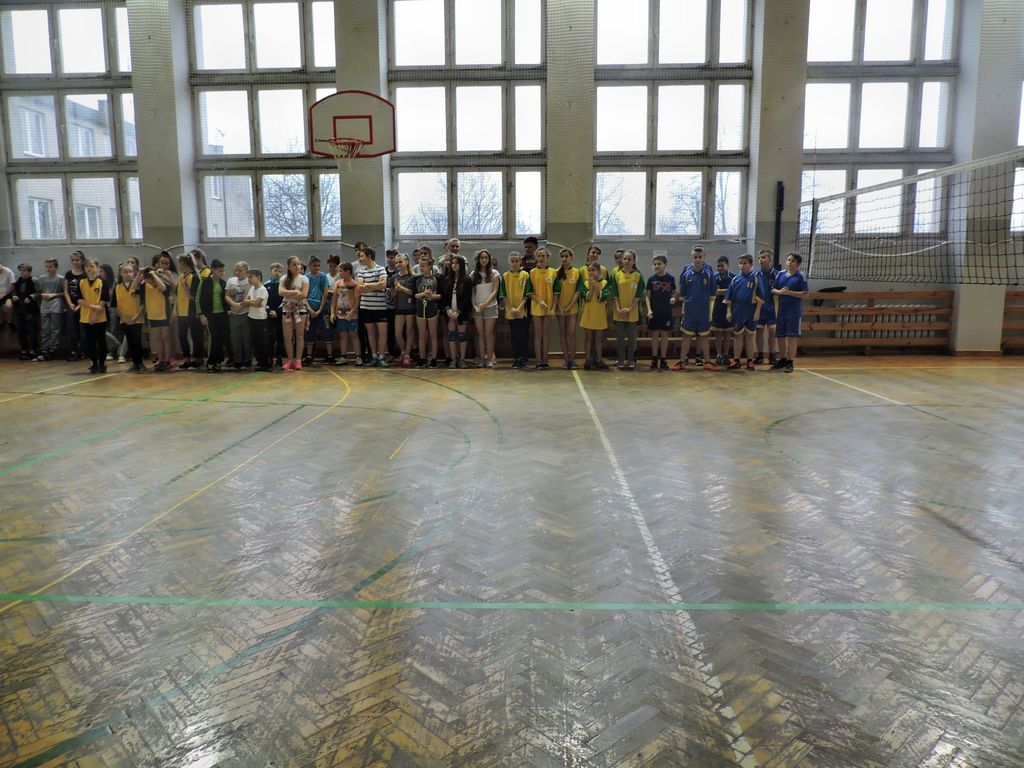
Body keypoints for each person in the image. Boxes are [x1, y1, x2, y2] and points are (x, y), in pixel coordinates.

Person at [674, 246, 718, 371]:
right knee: (686, 336)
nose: (698, 259)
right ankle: (682, 362)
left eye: (700, 257)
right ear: (691, 258)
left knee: (704, 337)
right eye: (695, 257)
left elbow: (713, 293)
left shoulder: (709, 274)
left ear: (704, 257)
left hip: (704, 312)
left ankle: (707, 362)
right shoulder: (686, 275)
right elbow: (682, 294)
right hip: (689, 312)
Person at [771, 252, 809, 373]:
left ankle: (790, 361)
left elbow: (805, 294)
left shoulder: (800, 276)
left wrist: (789, 293)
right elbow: (773, 289)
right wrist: (780, 292)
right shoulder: (781, 274)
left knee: (792, 336)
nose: (789, 263)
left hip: (794, 310)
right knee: (780, 336)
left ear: (798, 264)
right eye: (788, 260)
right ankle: (782, 359)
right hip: (781, 310)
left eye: (792, 261)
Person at [723, 254, 762, 371]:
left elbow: (760, 298)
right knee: (737, 336)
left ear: (751, 264)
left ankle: (750, 361)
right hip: (737, 311)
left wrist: (757, 312)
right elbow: (729, 297)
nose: (742, 265)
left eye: (745, 263)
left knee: (750, 336)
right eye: (740, 263)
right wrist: (728, 311)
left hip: (750, 311)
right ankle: (736, 360)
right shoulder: (735, 279)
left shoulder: (756, 279)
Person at [610, 250, 643, 370]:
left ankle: (630, 359)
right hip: (619, 312)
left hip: (632, 312)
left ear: (634, 261)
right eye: (625, 259)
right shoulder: (617, 275)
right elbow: (614, 294)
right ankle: (620, 359)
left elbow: (639, 295)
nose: (627, 261)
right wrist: (618, 309)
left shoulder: (638, 276)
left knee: (631, 338)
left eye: (629, 259)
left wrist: (629, 309)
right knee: (620, 338)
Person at [356, 247, 389, 367]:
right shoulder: (361, 271)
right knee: (370, 333)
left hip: (380, 307)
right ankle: (374, 356)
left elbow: (383, 285)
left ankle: (381, 357)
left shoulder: (381, 269)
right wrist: (376, 285)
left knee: (382, 333)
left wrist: (367, 285)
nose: (360, 258)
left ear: (369, 256)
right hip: (366, 306)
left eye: (362, 256)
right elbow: (359, 288)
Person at [197, 259, 230, 372]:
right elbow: (198, 299)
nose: (222, 273)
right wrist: (201, 315)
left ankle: (218, 361)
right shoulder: (204, 282)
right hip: (209, 314)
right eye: (220, 271)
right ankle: (210, 362)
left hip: (222, 314)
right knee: (212, 338)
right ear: (213, 270)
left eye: (223, 271)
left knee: (220, 338)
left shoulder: (223, 283)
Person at [442, 251, 473, 368]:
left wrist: (459, 311)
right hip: (450, 312)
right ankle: (453, 359)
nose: (454, 265)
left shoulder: (467, 280)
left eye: (457, 263)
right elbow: (444, 297)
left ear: (462, 265)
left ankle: (462, 359)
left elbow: (467, 298)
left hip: (461, 312)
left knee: (461, 335)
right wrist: (448, 309)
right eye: (453, 263)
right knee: (451, 335)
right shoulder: (447, 280)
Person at [278, 255, 309, 371]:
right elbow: (280, 292)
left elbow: (304, 294)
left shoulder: (304, 279)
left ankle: (298, 360)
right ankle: (290, 360)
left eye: (298, 264)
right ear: (289, 267)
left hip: (300, 310)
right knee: (287, 336)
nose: (297, 266)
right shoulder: (284, 278)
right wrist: (295, 291)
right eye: (294, 264)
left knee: (299, 335)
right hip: (287, 309)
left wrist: (289, 293)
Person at [501, 251, 531, 370]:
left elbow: (527, 294)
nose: (514, 263)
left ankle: (523, 359)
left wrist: (519, 307)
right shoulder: (505, 276)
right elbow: (503, 294)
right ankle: (516, 358)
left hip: (522, 311)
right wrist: (511, 308)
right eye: (512, 261)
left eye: (516, 261)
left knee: (523, 335)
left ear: (520, 262)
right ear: (509, 262)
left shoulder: (525, 275)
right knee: (514, 336)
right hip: (511, 311)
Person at [78, 258, 110, 374]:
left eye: (91, 266)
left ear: (97, 268)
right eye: (87, 266)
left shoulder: (102, 282)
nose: (89, 269)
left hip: (100, 317)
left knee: (101, 340)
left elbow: (104, 299)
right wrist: (92, 307)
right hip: (85, 316)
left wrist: (96, 313)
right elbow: (79, 300)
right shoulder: (81, 282)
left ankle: (102, 364)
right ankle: (93, 363)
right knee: (90, 341)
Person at [142, 256, 174, 371]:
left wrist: (154, 274)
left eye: (150, 280)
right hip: (153, 314)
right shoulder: (145, 285)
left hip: (164, 313)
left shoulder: (162, 283)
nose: (148, 282)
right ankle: (160, 360)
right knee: (158, 338)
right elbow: (135, 286)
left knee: (166, 337)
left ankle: (167, 360)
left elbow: (164, 288)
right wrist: (140, 273)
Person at [645, 255, 676, 371]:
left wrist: (673, 298)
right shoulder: (651, 279)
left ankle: (663, 358)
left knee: (664, 335)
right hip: (654, 312)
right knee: (654, 335)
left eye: (659, 264)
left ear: (665, 265)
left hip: (666, 312)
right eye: (655, 264)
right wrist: (649, 309)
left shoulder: (670, 278)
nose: (657, 266)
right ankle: (654, 358)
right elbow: (647, 296)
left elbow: (674, 292)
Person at [114, 262, 146, 372]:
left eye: (130, 271)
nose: (128, 274)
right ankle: (134, 363)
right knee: (130, 342)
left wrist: (136, 316)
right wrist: (122, 317)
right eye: (125, 272)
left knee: (137, 341)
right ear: (120, 273)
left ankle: (140, 362)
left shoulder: (137, 285)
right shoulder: (118, 287)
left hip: (137, 319)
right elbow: (116, 305)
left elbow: (143, 303)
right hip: (125, 319)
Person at [553, 248, 583, 369]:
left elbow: (578, 292)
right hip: (560, 308)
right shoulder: (556, 272)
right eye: (562, 256)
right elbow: (555, 292)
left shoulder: (577, 272)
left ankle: (573, 360)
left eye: (566, 256)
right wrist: (559, 307)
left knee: (571, 333)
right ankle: (566, 360)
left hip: (572, 308)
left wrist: (570, 306)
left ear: (571, 257)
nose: (564, 258)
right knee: (563, 333)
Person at [471, 249, 501, 368]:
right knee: (480, 334)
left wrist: (485, 304)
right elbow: (473, 293)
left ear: (489, 260)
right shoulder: (473, 274)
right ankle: (481, 358)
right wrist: (475, 305)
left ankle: (489, 359)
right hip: (477, 307)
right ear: (478, 260)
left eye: (486, 258)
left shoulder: (494, 273)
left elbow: (495, 291)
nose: (484, 260)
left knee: (488, 334)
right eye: (482, 258)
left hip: (490, 306)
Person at [528, 247, 557, 369]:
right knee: (538, 334)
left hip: (548, 308)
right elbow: (529, 292)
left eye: (543, 256)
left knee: (546, 334)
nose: (541, 258)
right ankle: (538, 361)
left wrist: (553, 308)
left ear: (547, 257)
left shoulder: (553, 272)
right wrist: (539, 301)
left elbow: (556, 292)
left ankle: (545, 360)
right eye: (539, 256)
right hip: (537, 307)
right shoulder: (532, 272)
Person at [580, 261, 610, 370]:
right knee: (588, 338)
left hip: (599, 314)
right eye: (589, 270)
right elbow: (586, 298)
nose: (591, 272)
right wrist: (591, 287)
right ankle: (587, 360)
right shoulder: (585, 283)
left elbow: (602, 297)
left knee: (598, 338)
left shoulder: (605, 283)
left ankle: (599, 360)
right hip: (589, 312)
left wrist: (595, 285)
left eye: (593, 270)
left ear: (599, 271)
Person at [414, 252, 441, 368]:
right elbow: (415, 295)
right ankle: (421, 358)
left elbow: (440, 296)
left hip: (432, 308)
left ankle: (434, 359)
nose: (421, 268)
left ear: (430, 266)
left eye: (423, 266)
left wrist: (431, 296)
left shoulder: (436, 279)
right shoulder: (417, 280)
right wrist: (423, 294)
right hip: (420, 308)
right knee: (421, 335)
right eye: (420, 266)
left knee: (432, 334)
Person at [330, 261, 360, 365]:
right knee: (342, 335)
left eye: (341, 271)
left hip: (352, 316)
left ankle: (358, 356)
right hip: (340, 315)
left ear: (348, 272)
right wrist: (332, 313)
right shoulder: (338, 284)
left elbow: (357, 302)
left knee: (353, 335)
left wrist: (351, 313)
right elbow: (334, 301)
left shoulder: (355, 284)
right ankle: (343, 357)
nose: (339, 273)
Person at [175, 253, 202, 369]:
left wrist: (184, 285)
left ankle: (197, 359)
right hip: (181, 312)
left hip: (192, 311)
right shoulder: (181, 275)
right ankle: (186, 359)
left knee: (196, 336)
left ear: (184, 263)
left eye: (180, 263)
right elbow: (177, 294)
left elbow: (193, 297)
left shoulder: (195, 276)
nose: (179, 265)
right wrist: (175, 310)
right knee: (181, 336)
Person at [35, 259, 64, 362]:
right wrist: (41, 294)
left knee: (55, 328)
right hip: (44, 305)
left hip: (56, 305)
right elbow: (38, 292)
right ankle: (45, 349)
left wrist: (54, 295)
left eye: (51, 267)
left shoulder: (61, 279)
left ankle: (53, 349)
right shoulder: (42, 278)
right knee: (44, 328)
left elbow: (65, 293)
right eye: (47, 267)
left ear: (56, 267)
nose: (48, 269)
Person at [755, 249, 780, 365]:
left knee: (772, 332)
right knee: (759, 331)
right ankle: (760, 355)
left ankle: (772, 355)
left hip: (772, 308)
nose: (761, 260)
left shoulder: (777, 274)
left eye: (763, 257)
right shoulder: (755, 274)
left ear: (770, 259)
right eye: (759, 258)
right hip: (759, 308)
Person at [225, 260, 251, 370]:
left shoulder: (249, 281)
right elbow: (227, 295)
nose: (237, 272)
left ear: (246, 271)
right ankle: (237, 359)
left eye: (240, 270)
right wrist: (234, 304)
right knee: (235, 338)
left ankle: (247, 359)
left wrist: (242, 305)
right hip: (234, 313)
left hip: (246, 313)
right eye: (236, 270)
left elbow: (251, 296)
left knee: (246, 337)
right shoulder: (231, 281)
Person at [392, 254, 416, 367]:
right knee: (397, 334)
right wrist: (396, 290)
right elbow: (391, 294)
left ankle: (407, 354)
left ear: (406, 262)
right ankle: (402, 351)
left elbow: (414, 293)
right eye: (397, 262)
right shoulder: (394, 277)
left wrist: (401, 288)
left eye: (400, 262)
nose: (398, 264)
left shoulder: (413, 277)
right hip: (399, 307)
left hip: (410, 307)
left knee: (409, 332)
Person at [63, 250, 88, 361]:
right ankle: (73, 351)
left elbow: (87, 292)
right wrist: (70, 303)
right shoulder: (68, 274)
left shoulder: (85, 274)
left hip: (83, 305)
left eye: (77, 260)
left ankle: (83, 350)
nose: (75, 262)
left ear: (82, 260)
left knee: (83, 330)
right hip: (71, 305)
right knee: (72, 329)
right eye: (73, 260)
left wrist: (79, 305)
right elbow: (66, 290)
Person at [11, 264, 39, 360]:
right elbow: (15, 290)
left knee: (32, 329)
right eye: (20, 271)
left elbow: (38, 292)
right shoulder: (19, 280)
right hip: (20, 308)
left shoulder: (34, 280)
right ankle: (24, 349)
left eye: (24, 271)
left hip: (30, 309)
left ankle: (33, 349)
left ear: (29, 271)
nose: (22, 273)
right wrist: (14, 296)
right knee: (21, 330)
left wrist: (31, 297)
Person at [245, 269, 271, 371]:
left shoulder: (262, 289)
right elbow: (246, 300)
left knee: (262, 342)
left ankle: (266, 364)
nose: (249, 279)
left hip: (261, 319)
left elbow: (258, 304)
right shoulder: (252, 288)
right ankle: (260, 362)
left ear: (258, 277)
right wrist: (252, 302)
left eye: (251, 277)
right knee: (254, 342)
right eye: (248, 277)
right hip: (251, 318)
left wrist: (250, 302)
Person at [711, 256, 735, 366]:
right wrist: (727, 291)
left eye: (722, 266)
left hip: (729, 308)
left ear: (727, 265)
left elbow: (734, 292)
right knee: (718, 332)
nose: (720, 268)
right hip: (717, 307)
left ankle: (726, 354)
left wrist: (721, 291)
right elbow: (713, 292)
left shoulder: (733, 277)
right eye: (718, 266)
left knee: (727, 333)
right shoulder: (713, 277)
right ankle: (718, 354)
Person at [264, 263, 284, 367]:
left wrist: (277, 311)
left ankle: (279, 358)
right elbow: (264, 301)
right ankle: (270, 357)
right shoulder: (266, 285)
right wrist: (269, 311)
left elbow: (284, 301)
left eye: (280, 271)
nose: (277, 273)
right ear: (271, 270)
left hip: (280, 315)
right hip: (269, 315)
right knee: (270, 337)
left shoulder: (283, 285)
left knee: (281, 337)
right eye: (275, 270)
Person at [0, 260, 14, 332]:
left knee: (9, 306)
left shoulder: (8, 271)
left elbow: (12, 285)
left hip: (8, 293)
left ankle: (9, 322)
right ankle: (1, 321)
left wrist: (4, 294)